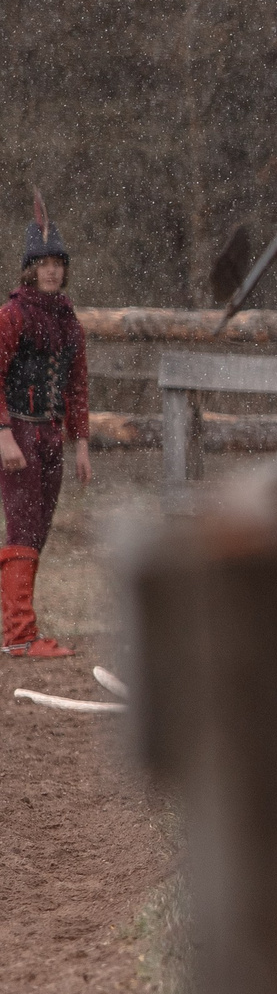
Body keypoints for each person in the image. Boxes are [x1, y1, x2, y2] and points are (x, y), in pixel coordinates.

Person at [0, 197, 89, 659]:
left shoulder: (69, 321)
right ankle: (18, 636)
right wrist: (3, 434)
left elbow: (77, 384)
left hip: (52, 434)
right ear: (29, 270)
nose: (51, 271)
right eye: (43, 264)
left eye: (58, 263)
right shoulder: (12, 315)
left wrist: (81, 444)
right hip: (17, 431)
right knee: (21, 527)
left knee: (38, 529)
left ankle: (24, 629)